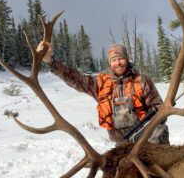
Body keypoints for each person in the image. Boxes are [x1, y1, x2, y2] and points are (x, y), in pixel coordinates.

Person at [37, 42, 169, 145]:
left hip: (146, 140)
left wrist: (149, 124)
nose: (117, 63)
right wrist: (50, 61)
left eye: (121, 58)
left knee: (159, 130)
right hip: (122, 144)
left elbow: (159, 110)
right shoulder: (101, 83)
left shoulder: (142, 81)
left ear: (127, 60)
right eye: (114, 60)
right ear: (110, 63)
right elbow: (75, 78)